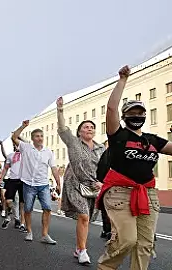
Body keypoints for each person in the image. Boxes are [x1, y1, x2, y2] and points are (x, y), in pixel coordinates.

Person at [97, 66, 172, 270]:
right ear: (124, 116)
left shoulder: (153, 140)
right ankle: (106, 267)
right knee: (127, 240)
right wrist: (122, 79)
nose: (137, 115)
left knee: (145, 244)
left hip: (148, 194)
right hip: (120, 194)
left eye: (140, 112)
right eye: (132, 112)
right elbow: (111, 109)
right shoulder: (119, 136)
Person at [56, 96, 105, 265]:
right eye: (86, 127)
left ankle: (78, 247)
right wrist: (60, 110)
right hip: (75, 184)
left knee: (88, 219)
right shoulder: (73, 143)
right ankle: (83, 251)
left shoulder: (101, 148)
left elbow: (105, 167)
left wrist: (102, 182)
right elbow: (62, 129)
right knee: (83, 216)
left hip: (94, 186)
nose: (89, 129)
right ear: (79, 132)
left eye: (92, 127)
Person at [12, 120, 62, 244]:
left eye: (41, 136)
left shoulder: (48, 152)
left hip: (43, 184)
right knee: (28, 209)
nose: (39, 138)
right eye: (37, 136)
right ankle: (29, 231)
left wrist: (58, 183)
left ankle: (45, 234)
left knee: (47, 208)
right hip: (28, 184)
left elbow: (54, 168)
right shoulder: (25, 147)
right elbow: (13, 137)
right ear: (32, 138)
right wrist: (23, 126)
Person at [0, 141, 25, 230]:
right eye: (15, 144)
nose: (17, 146)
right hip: (12, 180)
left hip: (23, 180)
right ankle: (12, 216)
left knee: (22, 204)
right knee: (8, 201)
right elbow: (6, 168)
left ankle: (21, 223)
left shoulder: (26, 155)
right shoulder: (11, 155)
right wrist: (1, 178)